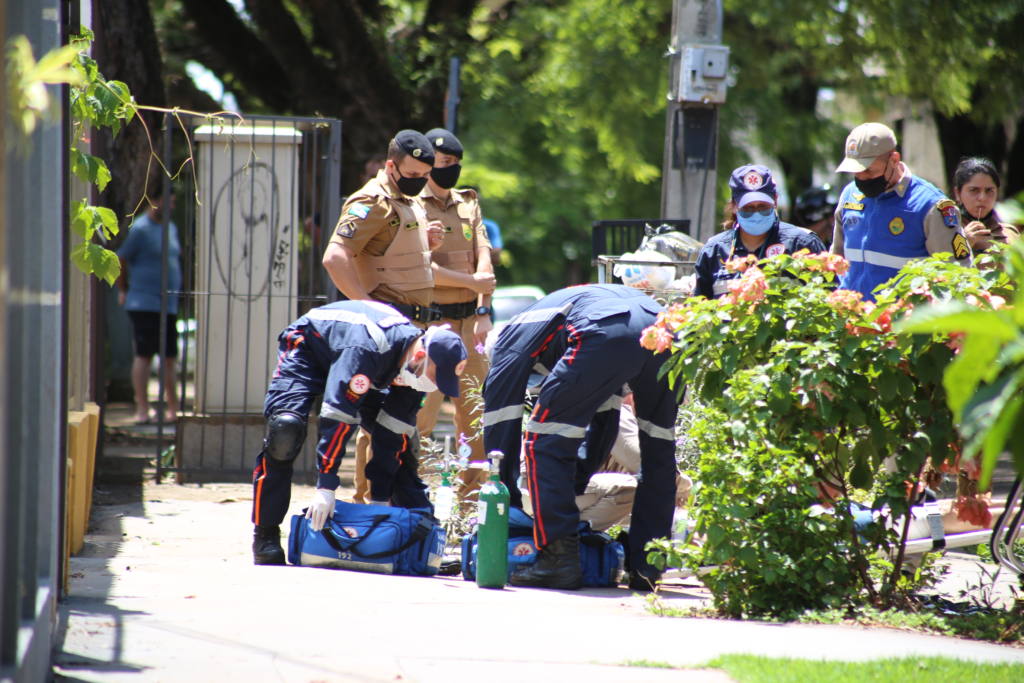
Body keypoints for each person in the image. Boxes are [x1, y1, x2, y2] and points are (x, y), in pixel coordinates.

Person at [482, 284, 681, 590]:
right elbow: (604, 423)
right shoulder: (556, 327)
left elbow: (500, 421)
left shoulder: (511, 340)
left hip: (604, 331)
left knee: (542, 441)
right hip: (665, 332)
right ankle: (647, 567)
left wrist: (504, 494)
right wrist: (572, 484)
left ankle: (558, 561)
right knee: (659, 447)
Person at [250, 300, 468, 565]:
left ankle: (419, 539)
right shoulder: (368, 348)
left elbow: (391, 435)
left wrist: (380, 500)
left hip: (367, 365)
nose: (434, 386)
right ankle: (266, 534)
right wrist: (326, 486)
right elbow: (338, 416)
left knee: (403, 443)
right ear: (420, 356)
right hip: (309, 348)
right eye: (436, 376)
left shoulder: (414, 371)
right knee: (285, 431)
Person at [322, 130, 444, 504]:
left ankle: (401, 509)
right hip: (387, 336)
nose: (420, 181)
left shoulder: (408, 199)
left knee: (402, 427)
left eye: (425, 174)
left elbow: (391, 255)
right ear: (390, 166)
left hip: (412, 331)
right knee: (389, 429)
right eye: (412, 173)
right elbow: (335, 257)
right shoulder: (371, 200)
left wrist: (429, 242)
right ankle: (383, 507)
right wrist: (367, 309)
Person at [415, 128, 496, 500]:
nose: (451, 170)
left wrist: (483, 307)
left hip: (468, 324)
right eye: (445, 163)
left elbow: (484, 255)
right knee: (416, 417)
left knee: (474, 419)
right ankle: (396, 499)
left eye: (455, 164)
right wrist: (473, 280)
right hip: (427, 325)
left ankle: (469, 508)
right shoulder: (412, 205)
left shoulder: (468, 203)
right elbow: (424, 269)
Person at [830, 122, 972, 299]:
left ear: (894, 159)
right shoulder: (849, 195)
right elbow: (837, 260)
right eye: (855, 171)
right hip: (852, 320)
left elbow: (957, 272)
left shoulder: (930, 205)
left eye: (868, 170)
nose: (861, 178)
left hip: (904, 323)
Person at [694, 164, 826, 299]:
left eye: (763, 207)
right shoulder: (714, 250)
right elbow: (700, 305)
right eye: (748, 208)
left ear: (775, 201)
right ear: (734, 206)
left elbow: (827, 298)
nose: (756, 213)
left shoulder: (802, 244)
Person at [116, 191, 182, 425]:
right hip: (144, 303)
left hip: (168, 305)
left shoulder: (170, 228)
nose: (172, 206)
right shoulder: (140, 229)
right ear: (155, 200)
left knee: (169, 358)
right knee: (144, 356)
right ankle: (142, 409)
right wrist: (123, 289)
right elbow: (121, 258)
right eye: (169, 200)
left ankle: (172, 410)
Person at [951, 157, 1020, 255]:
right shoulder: (946, 232)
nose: (982, 198)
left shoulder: (1010, 233)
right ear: (958, 193)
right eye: (974, 190)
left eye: (989, 190)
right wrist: (963, 243)